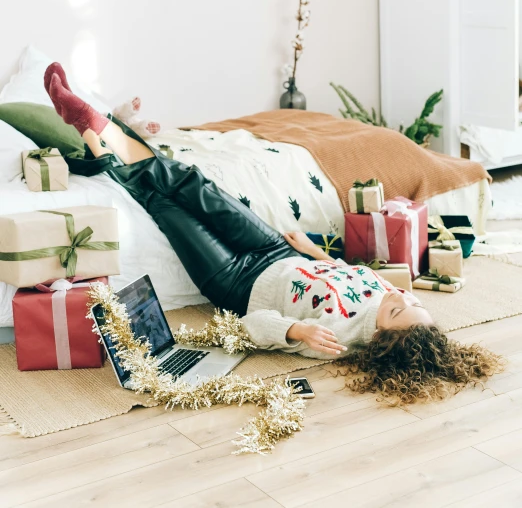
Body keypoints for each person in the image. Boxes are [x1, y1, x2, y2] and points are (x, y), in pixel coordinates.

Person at [43, 63, 504, 404]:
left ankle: (94, 133)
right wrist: (312, 252)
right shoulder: (386, 289)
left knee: (164, 205)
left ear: (385, 339)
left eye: (401, 314)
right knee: (194, 184)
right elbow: (345, 273)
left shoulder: (336, 342)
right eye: (416, 304)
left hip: (237, 282)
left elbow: (252, 327)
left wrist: (297, 330)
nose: (405, 300)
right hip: (274, 250)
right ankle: (96, 129)